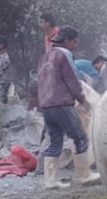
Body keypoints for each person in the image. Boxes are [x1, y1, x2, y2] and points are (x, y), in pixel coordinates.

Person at [36, 26, 100, 189]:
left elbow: (40, 81)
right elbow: (71, 79)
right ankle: (84, 175)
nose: (75, 45)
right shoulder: (65, 54)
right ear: (66, 40)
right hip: (62, 104)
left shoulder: (46, 55)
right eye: (74, 41)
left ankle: (49, 181)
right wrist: (82, 99)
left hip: (47, 106)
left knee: (55, 143)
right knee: (79, 137)